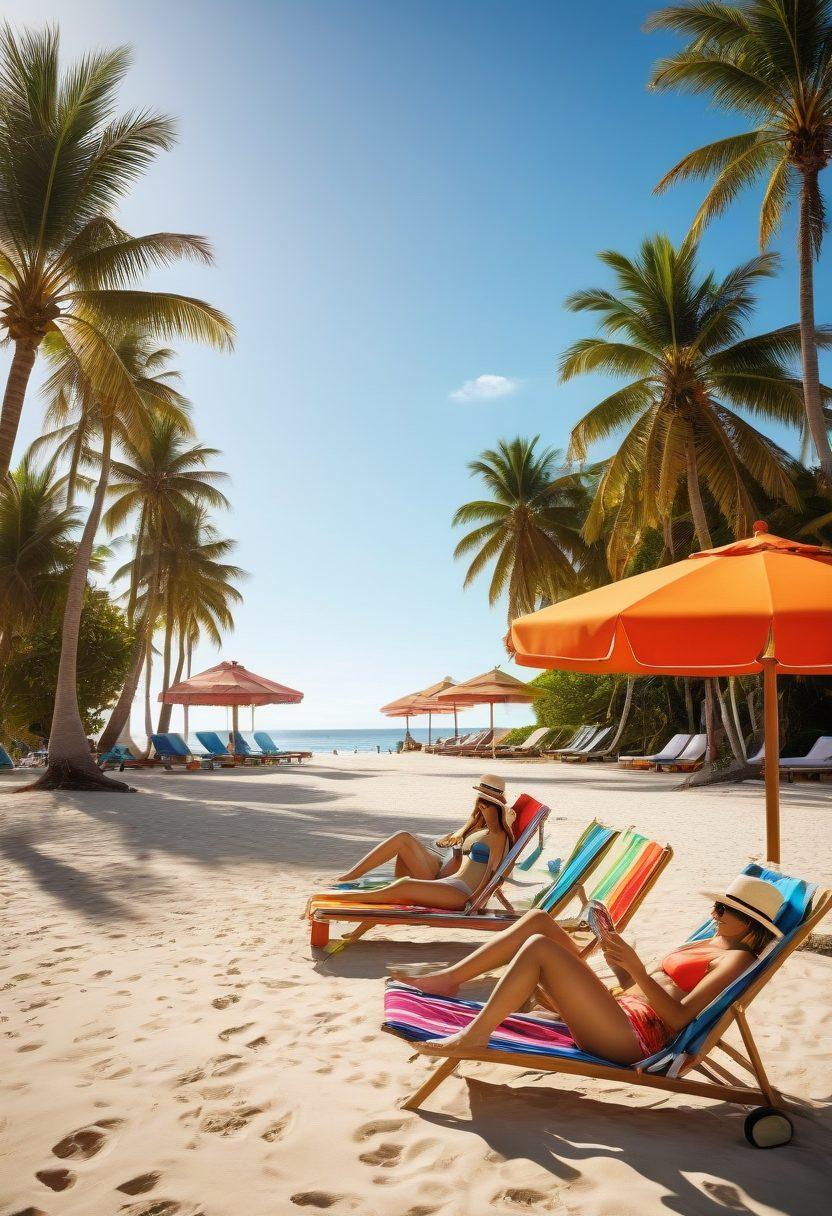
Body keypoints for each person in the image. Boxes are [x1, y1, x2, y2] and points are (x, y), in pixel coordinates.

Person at [389, 874, 783, 1064]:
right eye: (717, 905)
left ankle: (473, 1037)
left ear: (751, 923)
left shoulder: (737, 959)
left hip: (633, 1038)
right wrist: (623, 968)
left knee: (541, 948)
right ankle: (449, 979)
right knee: (539, 921)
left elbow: (679, 1017)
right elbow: (644, 989)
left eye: (726, 909)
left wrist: (637, 971)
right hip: (617, 1010)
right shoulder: (708, 940)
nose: (715, 911)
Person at [333, 776, 515, 911]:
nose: (481, 805)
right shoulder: (478, 825)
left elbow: (492, 871)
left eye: (487, 801)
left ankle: (349, 886)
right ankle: (349, 879)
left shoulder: (497, 833)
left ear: (498, 807)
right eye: (480, 799)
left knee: (402, 842)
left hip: (446, 877)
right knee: (402, 838)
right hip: (446, 869)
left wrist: (476, 900)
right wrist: (454, 842)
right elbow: (470, 860)